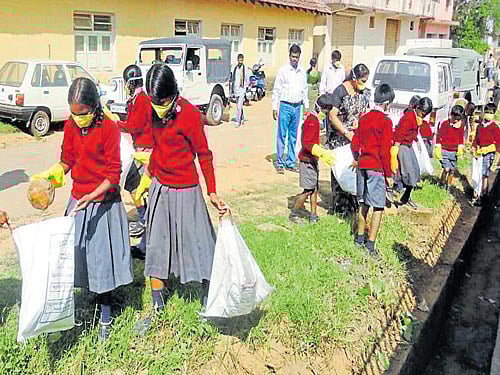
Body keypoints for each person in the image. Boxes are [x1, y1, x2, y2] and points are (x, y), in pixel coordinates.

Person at [31, 77, 133, 341]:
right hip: (79, 201)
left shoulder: (109, 128)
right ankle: (77, 310)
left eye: (83, 114)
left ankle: (106, 320)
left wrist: (93, 195)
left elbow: (113, 173)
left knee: (102, 264)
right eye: (74, 114)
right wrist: (52, 175)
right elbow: (67, 160)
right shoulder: (70, 126)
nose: (78, 119)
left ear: (94, 107)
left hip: (103, 202)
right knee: (77, 260)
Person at [134, 64, 227, 334]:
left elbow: (204, 154)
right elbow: (153, 145)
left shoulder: (189, 114)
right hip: (161, 187)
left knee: (200, 247)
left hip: (186, 189)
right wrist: (147, 178)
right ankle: (158, 311)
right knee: (156, 248)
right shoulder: (150, 110)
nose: (157, 106)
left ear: (173, 93)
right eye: (153, 101)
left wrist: (212, 191)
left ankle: (212, 300)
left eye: (161, 101)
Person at [351, 83, 394, 255]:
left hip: (362, 165)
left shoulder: (364, 118)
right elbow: (385, 151)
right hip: (376, 167)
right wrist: (388, 175)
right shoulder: (386, 122)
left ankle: (359, 239)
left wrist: (357, 159)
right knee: (378, 207)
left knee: (363, 203)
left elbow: (355, 144)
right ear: (387, 103)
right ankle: (370, 246)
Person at [116, 64, 153, 259]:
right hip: (139, 149)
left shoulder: (142, 100)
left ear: (131, 83)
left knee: (141, 191)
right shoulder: (135, 99)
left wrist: (117, 123)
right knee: (136, 190)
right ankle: (145, 238)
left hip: (145, 151)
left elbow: (135, 126)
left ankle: (147, 241)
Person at [327, 63, 371, 215]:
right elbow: (332, 116)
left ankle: (353, 204)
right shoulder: (340, 91)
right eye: (362, 81)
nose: (364, 84)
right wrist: (346, 133)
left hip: (356, 138)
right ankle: (339, 206)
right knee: (340, 170)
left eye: (366, 81)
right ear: (354, 78)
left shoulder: (365, 93)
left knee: (354, 169)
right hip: (340, 137)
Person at [289, 94, 336, 225]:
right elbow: (308, 143)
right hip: (307, 160)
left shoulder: (314, 119)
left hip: (312, 160)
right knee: (308, 190)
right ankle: (294, 213)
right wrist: (321, 153)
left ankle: (313, 215)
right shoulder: (311, 121)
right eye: (326, 111)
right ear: (322, 109)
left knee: (315, 188)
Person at [272, 44, 309, 174]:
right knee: (282, 135)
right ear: (289, 56)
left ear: (299, 57)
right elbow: (276, 89)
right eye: (293, 57)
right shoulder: (283, 71)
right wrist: (274, 107)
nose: (294, 59)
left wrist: (306, 107)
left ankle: (291, 162)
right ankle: (280, 162)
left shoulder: (302, 72)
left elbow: (305, 90)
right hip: (285, 106)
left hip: (297, 106)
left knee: (294, 136)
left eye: (297, 57)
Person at [391, 97, 433, 209]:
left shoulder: (417, 118)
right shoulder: (408, 118)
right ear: (417, 108)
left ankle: (406, 196)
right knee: (408, 171)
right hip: (402, 145)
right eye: (422, 113)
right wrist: (395, 149)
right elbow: (400, 133)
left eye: (425, 115)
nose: (423, 116)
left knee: (415, 170)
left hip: (409, 144)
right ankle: (398, 191)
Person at [471, 102, 500, 206]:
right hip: (480, 152)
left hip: (488, 153)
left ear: (493, 114)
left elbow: (498, 143)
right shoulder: (480, 126)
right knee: (478, 173)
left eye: (491, 113)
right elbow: (475, 139)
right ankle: (478, 192)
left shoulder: (494, 127)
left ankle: (483, 194)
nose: (488, 114)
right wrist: (474, 148)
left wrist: (491, 150)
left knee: (484, 173)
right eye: (487, 112)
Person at [434, 105, 465, 191]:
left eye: (458, 119)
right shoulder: (445, 124)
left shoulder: (461, 125)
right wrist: (438, 146)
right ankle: (442, 183)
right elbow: (439, 135)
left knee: (452, 170)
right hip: (445, 150)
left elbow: (461, 137)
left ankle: (448, 185)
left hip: (454, 151)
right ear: (451, 115)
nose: (456, 121)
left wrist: (461, 146)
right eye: (454, 118)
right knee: (446, 169)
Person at [232, 54, 250, 128]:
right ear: (237, 60)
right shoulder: (235, 68)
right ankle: (242, 118)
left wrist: (246, 88)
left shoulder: (245, 68)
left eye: (241, 60)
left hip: (242, 89)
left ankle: (237, 121)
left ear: (243, 60)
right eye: (239, 60)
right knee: (238, 106)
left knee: (239, 106)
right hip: (236, 89)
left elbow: (247, 79)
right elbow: (233, 79)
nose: (240, 61)